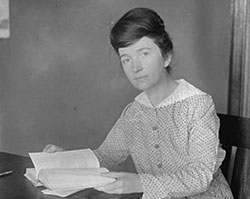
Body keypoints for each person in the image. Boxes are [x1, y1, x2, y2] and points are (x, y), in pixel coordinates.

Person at [43, 7, 234, 199]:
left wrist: (139, 183)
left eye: (144, 54)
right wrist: (66, 159)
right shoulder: (135, 112)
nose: (135, 67)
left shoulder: (197, 104)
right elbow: (106, 157)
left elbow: (199, 177)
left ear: (166, 57)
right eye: (126, 59)